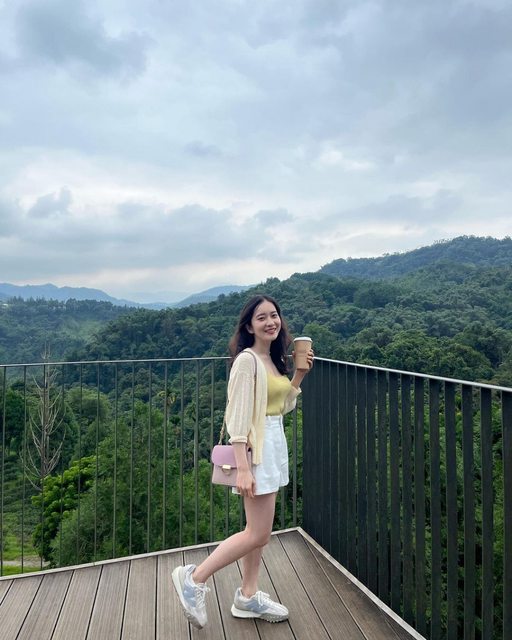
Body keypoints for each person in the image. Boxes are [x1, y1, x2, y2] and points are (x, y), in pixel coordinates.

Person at [172, 294, 314, 629]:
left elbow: (281, 408)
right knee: (258, 533)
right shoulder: (247, 361)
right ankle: (194, 578)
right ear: (249, 326)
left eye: (274, 315)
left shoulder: (272, 360)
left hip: (273, 444)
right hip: (255, 449)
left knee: (257, 530)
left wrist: (298, 375)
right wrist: (244, 468)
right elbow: (236, 418)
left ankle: (248, 596)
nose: (270, 322)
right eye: (261, 317)